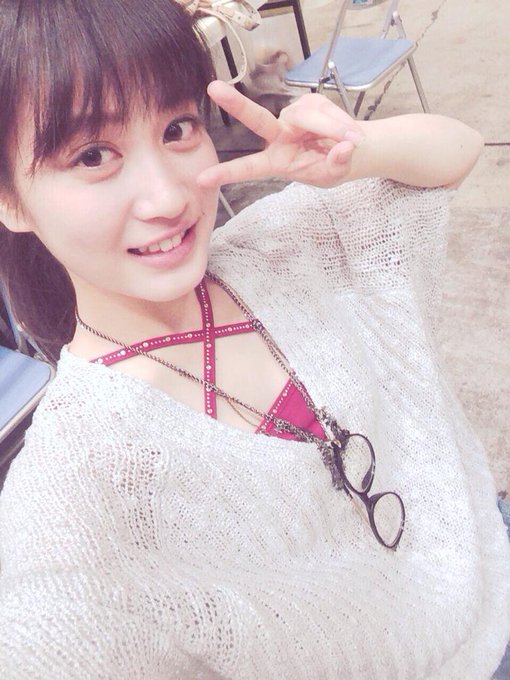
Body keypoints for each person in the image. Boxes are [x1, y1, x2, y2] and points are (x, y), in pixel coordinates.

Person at [0, 0, 508, 678]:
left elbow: (457, 150)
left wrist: (359, 149)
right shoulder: (77, 488)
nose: (168, 197)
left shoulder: (284, 245)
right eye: (93, 155)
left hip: (487, 546)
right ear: (9, 198)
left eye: (177, 127)